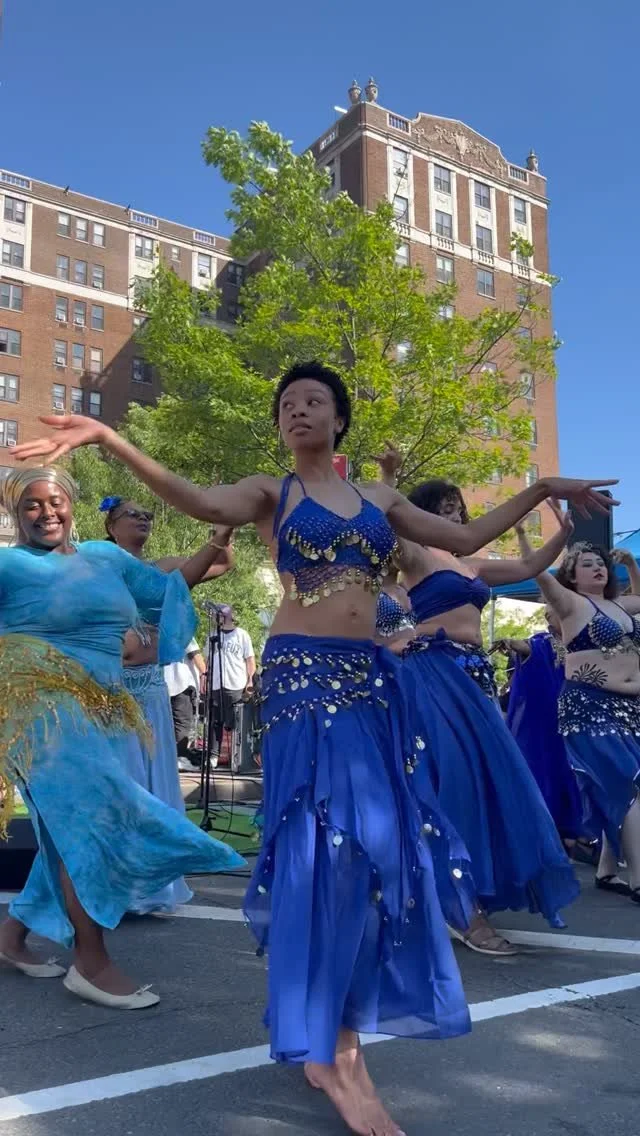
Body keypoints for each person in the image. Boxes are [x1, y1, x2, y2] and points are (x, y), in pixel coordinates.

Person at [14, 363, 616, 1136]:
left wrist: (544, 490)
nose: (298, 409)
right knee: (330, 857)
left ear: (339, 420)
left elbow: (467, 538)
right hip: (304, 686)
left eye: (314, 400)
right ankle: (336, 1051)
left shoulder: (380, 500)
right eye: (288, 402)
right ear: (280, 423)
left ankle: (330, 1031)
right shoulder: (273, 492)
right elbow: (198, 501)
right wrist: (109, 438)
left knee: (380, 856)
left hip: (371, 687)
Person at [0, 468, 244, 1010]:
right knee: (90, 817)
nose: (46, 513)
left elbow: (167, 591)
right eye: (32, 505)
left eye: (55, 501)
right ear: (16, 513)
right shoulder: (7, 566)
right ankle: (91, 961)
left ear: (72, 504)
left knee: (70, 825)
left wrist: (218, 536)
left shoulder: (105, 559)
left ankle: (12, 936)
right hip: (39, 708)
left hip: (104, 707)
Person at [375, 453, 583, 955]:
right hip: (431, 674)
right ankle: (461, 906)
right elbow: (388, 520)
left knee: (492, 782)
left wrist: (565, 533)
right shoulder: (416, 554)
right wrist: (388, 478)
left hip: (473, 680)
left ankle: (456, 891)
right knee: (454, 783)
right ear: (423, 515)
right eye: (444, 508)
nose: (456, 515)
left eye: (458, 508)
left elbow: (531, 567)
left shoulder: (470, 565)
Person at [101, 495, 234, 914]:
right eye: (133, 514)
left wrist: (222, 526)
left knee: (155, 783)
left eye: (147, 515)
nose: (143, 519)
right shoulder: (98, 564)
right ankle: (115, 886)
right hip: (113, 687)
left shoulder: (162, 569)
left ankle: (152, 886)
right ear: (111, 525)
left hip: (153, 688)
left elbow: (221, 564)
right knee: (122, 782)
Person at [533, 523, 640, 901]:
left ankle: (607, 870)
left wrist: (632, 567)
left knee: (624, 785)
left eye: (601, 564)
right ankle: (638, 879)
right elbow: (537, 571)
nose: (597, 568)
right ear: (572, 576)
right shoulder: (572, 604)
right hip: (590, 707)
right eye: (587, 564)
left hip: (629, 708)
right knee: (630, 784)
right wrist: (536, 539)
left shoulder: (621, 606)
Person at [501, 604, 583, 842]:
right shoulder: (543, 642)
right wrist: (515, 644)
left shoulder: (584, 640)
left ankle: (583, 832)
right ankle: (554, 831)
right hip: (548, 725)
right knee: (549, 769)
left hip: (581, 718)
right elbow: (528, 648)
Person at [204, 606, 255, 766]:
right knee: (215, 721)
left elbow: (250, 660)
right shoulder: (213, 635)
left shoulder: (242, 635)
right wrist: (205, 679)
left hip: (236, 683)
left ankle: (237, 757)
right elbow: (207, 660)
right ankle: (213, 756)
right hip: (216, 684)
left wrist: (250, 680)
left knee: (235, 721)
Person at [164, 638, 206, 772]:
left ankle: (168, 759)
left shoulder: (158, 630)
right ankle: (180, 758)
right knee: (182, 723)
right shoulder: (183, 631)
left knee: (168, 725)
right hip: (181, 683)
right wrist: (205, 673)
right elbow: (194, 654)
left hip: (163, 683)